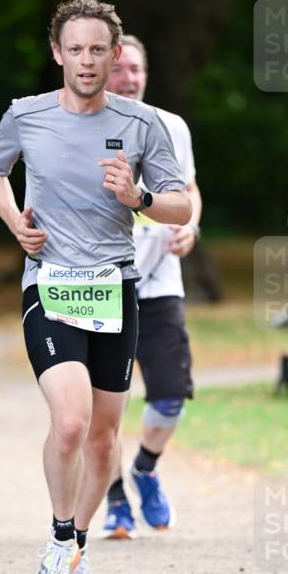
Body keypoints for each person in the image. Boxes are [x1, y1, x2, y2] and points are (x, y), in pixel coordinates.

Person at [0, 0, 190, 574]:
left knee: (103, 437)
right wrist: (16, 220)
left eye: (99, 49)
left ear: (114, 54)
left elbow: (182, 205)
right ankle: (58, 540)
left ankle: (78, 550)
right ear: (57, 54)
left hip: (115, 288)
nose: (87, 60)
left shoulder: (144, 122)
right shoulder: (27, 115)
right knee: (69, 420)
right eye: (76, 48)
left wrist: (139, 195)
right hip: (50, 283)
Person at [100, 35, 202, 537]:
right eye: (119, 70)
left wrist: (191, 225)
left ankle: (144, 469)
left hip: (160, 282)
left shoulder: (172, 125)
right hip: (99, 283)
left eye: (136, 69)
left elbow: (188, 190)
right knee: (106, 405)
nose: (129, 79)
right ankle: (116, 499)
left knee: (170, 395)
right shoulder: (82, 125)